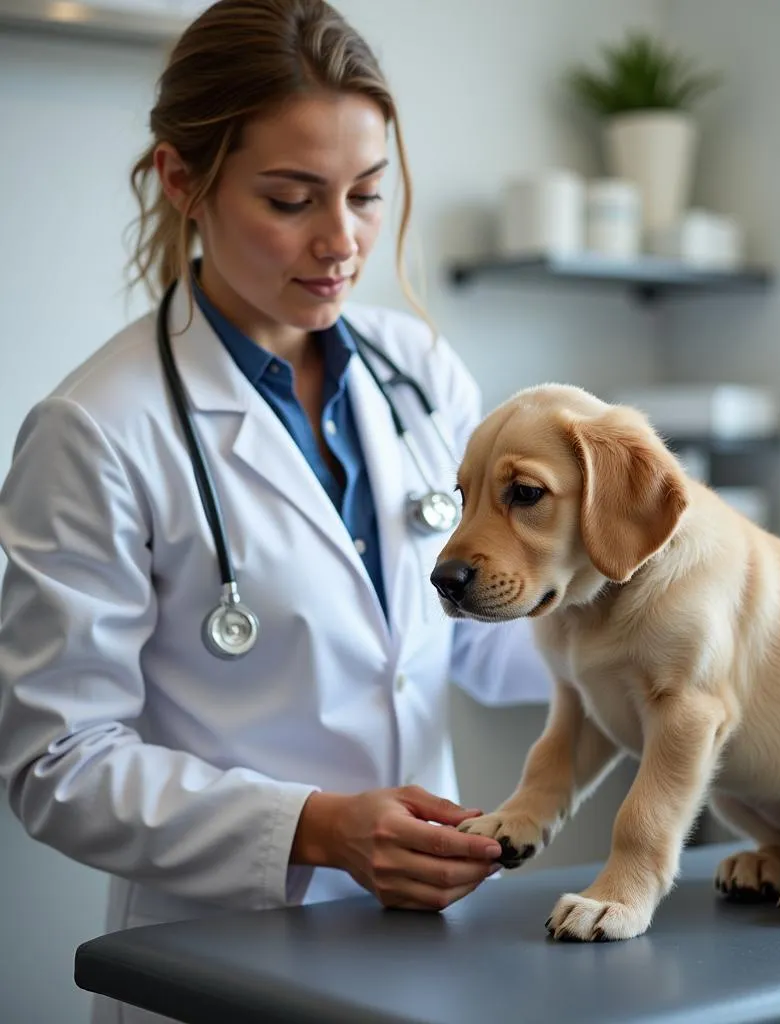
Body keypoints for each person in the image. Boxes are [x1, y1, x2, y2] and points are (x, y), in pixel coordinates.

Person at [0, 1, 552, 1020]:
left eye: (367, 193)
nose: (341, 240)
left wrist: (652, 647)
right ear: (182, 181)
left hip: (424, 955)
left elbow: (471, 635)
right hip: (212, 963)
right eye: (293, 198)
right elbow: (57, 764)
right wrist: (315, 826)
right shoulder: (96, 428)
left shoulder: (420, 374)